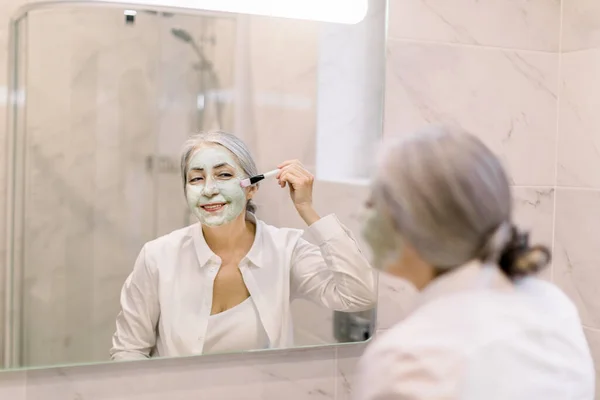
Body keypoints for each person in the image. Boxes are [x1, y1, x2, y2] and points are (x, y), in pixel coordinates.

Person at [355, 125, 595, 399]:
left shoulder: (408, 359)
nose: (364, 216)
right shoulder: (553, 305)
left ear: (420, 225)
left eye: (374, 204)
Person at [110, 131, 376, 360]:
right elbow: (129, 350)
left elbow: (360, 295)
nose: (208, 190)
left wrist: (306, 209)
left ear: (251, 188)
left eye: (224, 175)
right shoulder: (158, 257)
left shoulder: (285, 250)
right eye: (196, 179)